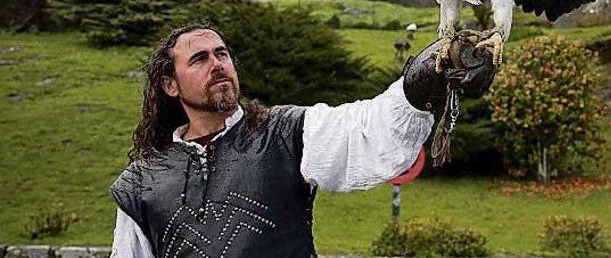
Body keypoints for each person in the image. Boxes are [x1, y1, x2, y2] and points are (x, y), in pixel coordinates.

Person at [110, 23, 495, 258]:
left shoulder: (285, 132)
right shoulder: (143, 180)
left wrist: (424, 78)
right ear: (170, 85)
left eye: (222, 53)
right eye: (200, 59)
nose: (218, 64)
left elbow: (363, 130)